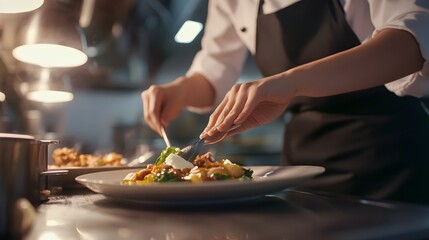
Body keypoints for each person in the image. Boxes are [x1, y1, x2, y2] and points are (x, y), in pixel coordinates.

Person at [142, 0, 429, 204]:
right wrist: (179, 90)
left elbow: (413, 41)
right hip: (301, 173)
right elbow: (213, 73)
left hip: (391, 161)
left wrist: (291, 82)